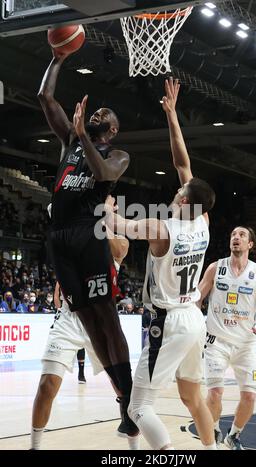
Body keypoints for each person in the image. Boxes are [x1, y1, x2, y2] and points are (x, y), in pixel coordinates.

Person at [104, 78, 216, 450]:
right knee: (192, 398)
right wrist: (172, 116)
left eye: (178, 191)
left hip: (167, 321)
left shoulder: (160, 227)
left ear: (184, 202)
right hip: (194, 320)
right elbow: (182, 162)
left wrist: (106, 204)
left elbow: (117, 227)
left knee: (138, 409)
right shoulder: (203, 221)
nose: (175, 190)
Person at [38, 48, 137, 437]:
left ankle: (130, 400)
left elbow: (103, 175)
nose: (98, 115)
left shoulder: (118, 154)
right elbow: (45, 98)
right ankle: (122, 396)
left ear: (111, 131)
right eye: (96, 112)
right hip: (58, 237)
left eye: (105, 118)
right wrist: (58, 58)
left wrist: (82, 134)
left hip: (87, 231)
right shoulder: (70, 142)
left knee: (107, 319)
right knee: (88, 323)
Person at [30, 229, 140, 450]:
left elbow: (120, 250)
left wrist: (98, 220)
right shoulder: (70, 240)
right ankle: (35, 446)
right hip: (69, 320)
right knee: (47, 385)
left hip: (101, 321)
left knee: (122, 390)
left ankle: (134, 447)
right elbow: (60, 283)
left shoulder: (113, 239)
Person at [198, 226, 256, 450]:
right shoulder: (215, 268)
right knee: (214, 393)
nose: (236, 238)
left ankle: (234, 435)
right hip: (216, 341)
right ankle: (213, 427)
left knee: (249, 396)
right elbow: (197, 299)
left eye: (242, 235)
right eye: (233, 235)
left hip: (246, 344)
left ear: (250, 244)